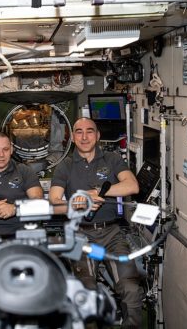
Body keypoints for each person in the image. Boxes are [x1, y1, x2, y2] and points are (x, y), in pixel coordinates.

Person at [49, 117, 143, 328]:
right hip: (81, 235)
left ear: (98, 136)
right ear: (72, 137)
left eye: (89, 131)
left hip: (112, 233)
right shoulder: (65, 165)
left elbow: (132, 186)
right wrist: (75, 204)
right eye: (79, 132)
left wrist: (96, 193)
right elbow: (54, 203)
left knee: (131, 289)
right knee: (86, 292)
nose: (84, 136)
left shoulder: (112, 159)